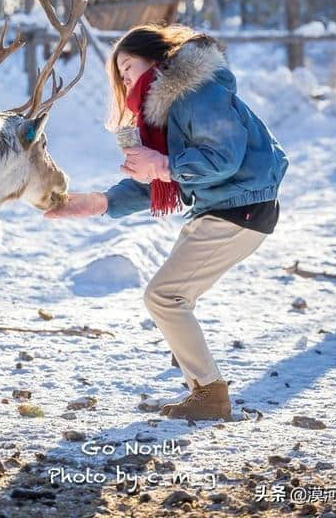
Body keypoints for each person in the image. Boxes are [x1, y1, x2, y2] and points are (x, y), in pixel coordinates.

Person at [45, 23, 289, 421]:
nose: (123, 79)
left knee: (165, 297)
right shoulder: (166, 109)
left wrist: (162, 165)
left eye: (127, 66)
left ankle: (210, 392)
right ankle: (199, 380)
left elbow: (223, 157)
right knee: (172, 298)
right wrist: (100, 202)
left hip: (239, 207)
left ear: (157, 59)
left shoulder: (197, 91)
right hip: (225, 208)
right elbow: (163, 179)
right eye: (118, 75)